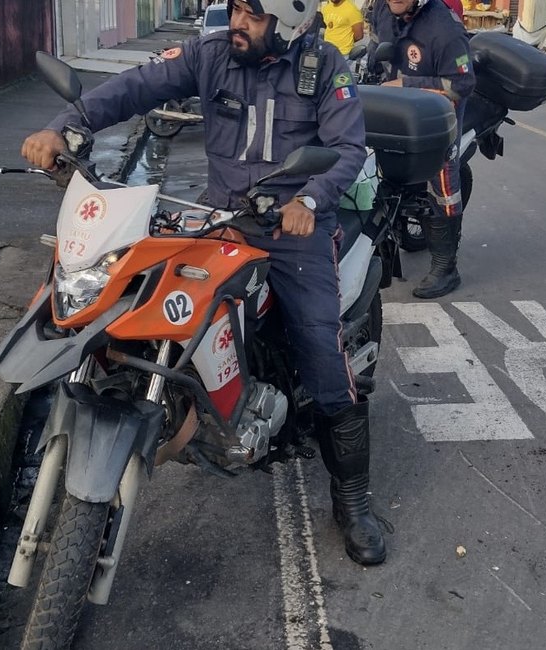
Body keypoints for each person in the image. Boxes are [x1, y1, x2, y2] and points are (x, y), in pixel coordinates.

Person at [21, 0, 387, 566]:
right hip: (222, 219)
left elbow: (345, 149)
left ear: (289, 23)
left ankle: (354, 501)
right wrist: (65, 126)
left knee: (319, 348)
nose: (239, 23)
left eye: (253, 15)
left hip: (294, 227)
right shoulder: (212, 53)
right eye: (237, 8)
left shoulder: (327, 67)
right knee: (144, 296)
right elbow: (136, 86)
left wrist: (310, 199)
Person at [370, 0, 473, 298]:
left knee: (442, 178)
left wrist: (406, 84)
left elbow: (462, 84)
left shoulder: (444, 28)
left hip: (438, 113)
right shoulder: (383, 10)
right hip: (395, 107)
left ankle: (446, 268)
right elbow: (378, 46)